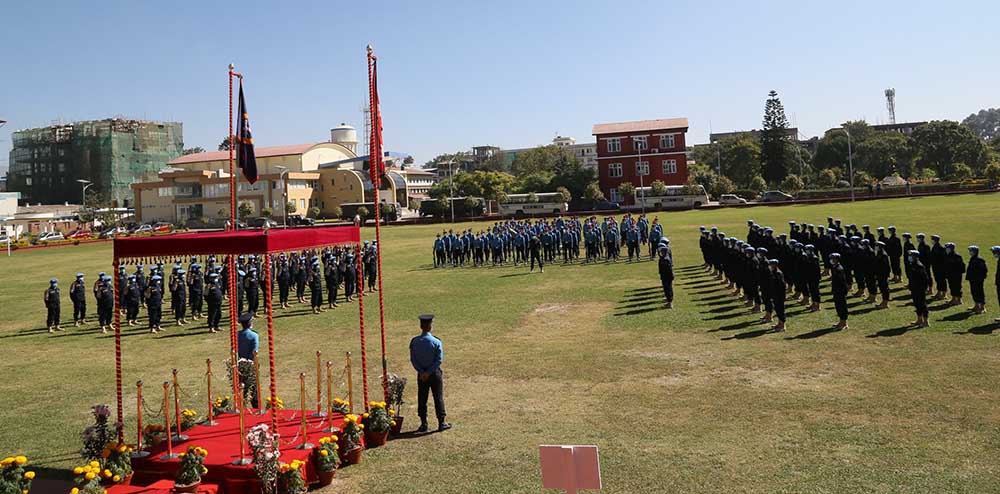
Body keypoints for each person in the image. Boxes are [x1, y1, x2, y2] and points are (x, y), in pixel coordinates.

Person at [410, 314, 451, 433]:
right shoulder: (436, 341)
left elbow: (413, 359)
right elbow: (439, 360)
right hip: (434, 373)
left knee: (422, 398)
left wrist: (422, 372)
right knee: (438, 397)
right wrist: (428, 372)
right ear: (430, 326)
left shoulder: (415, 341)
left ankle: (423, 423)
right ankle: (441, 422)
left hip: (421, 374)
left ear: (421, 326)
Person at [237, 312, 261, 407]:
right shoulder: (254, 335)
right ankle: (256, 406)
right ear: (250, 323)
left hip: (240, 363)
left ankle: (241, 406)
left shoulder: (237, 335)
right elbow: (255, 351)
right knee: (253, 387)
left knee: (241, 387)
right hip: (251, 363)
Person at [907, 250, 931, 328]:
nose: (910, 257)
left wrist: (924, 288)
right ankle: (919, 319)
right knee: (917, 304)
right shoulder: (912, 265)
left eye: (911, 255)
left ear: (915, 257)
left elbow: (925, 278)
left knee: (922, 304)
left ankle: (926, 321)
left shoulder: (919, 266)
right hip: (914, 288)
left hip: (920, 288)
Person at [966, 246, 988, 315]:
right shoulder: (972, 258)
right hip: (972, 279)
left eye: (971, 251)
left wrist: (980, 278)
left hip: (978, 280)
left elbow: (984, 270)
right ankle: (976, 305)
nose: (970, 252)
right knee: (974, 292)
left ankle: (982, 307)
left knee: (979, 292)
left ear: (975, 252)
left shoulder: (980, 260)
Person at [830, 253, 850, 330]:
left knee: (842, 306)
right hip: (836, 290)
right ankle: (841, 321)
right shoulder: (834, 267)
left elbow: (842, 281)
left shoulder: (839, 269)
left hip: (840, 290)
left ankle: (844, 323)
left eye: (833, 258)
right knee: (838, 306)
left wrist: (843, 290)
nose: (832, 260)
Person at [943, 242, 966, 307]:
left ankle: (959, 300)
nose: (946, 249)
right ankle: (953, 299)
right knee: (951, 286)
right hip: (949, 274)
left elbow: (961, 266)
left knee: (957, 287)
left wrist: (958, 273)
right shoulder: (947, 255)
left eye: (947, 248)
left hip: (956, 275)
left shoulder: (957, 256)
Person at [768, 259, 786, 332]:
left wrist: (782, 296)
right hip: (775, 294)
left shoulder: (778, 273)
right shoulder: (773, 272)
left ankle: (782, 325)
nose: (770, 266)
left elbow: (782, 285)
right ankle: (779, 323)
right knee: (777, 309)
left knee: (780, 310)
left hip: (779, 295)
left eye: (771, 264)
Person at [657, 239, 674, 308]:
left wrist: (671, 276)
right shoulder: (663, 258)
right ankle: (668, 300)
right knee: (666, 289)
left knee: (668, 289)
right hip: (664, 276)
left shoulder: (665, 259)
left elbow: (669, 270)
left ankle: (670, 303)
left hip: (666, 277)